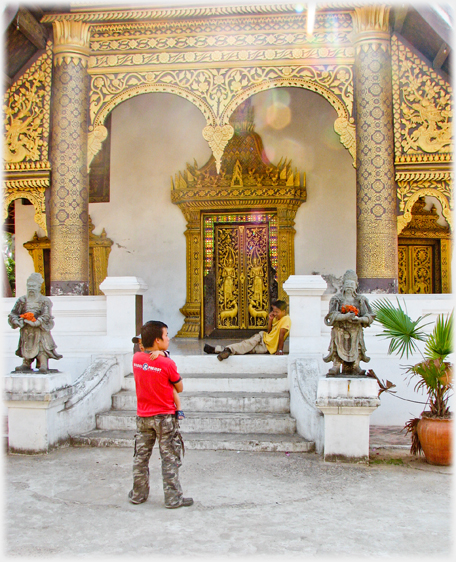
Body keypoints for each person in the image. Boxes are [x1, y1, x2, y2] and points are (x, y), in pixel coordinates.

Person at [128, 320, 193, 508]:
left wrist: (159, 354)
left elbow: (145, 356)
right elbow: (179, 387)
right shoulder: (167, 363)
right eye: (165, 335)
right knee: (169, 458)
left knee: (140, 457)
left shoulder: (136, 360)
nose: (168, 338)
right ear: (157, 340)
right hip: (165, 417)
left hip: (143, 417)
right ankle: (173, 498)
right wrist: (163, 356)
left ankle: (138, 494)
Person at [323, 269, 375, 376]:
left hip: (355, 328)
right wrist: (345, 316)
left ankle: (356, 365)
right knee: (337, 334)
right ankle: (336, 365)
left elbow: (369, 317)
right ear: (343, 285)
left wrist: (359, 319)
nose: (349, 286)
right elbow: (331, 315)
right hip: (340, 328)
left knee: (357, 337)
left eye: (352, 284)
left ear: (356, 285)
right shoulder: (337, 299)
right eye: (347, 284)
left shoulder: (360, 300)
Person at [8, 272, 62, 372]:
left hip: (39, 328)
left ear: (39, 287)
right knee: (26, 345)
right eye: (29, 286)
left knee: (42, 346)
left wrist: (37, 322)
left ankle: (43, 364)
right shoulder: (22, 300)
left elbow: (46, 315)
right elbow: (13, 314)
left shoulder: (44, 301)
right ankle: (26, 363)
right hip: (26, 329)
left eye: (34, 286)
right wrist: (16, 321)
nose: (31, 288)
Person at [204, 299, 291, 360]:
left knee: (246, 348)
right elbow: (269, 332)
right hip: (262, 337)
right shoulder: (276, 318)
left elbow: (281, 334)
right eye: (274, 311)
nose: (274, 313)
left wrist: (280, 350)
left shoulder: (286, 319)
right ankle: (223, 350)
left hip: (267, 347)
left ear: (284, 311)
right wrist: (270, 320)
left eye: (277, 312)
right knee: (245, 345)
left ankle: (220, 350)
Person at [132, 333, 185, 420]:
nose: (141, 346)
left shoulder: (161, 355)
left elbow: (180, 388)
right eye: (139, 344)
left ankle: (179, 408)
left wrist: (159, 353)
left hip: (169, 378)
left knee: (173, 390)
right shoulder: (139, 357)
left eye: (142, 343)